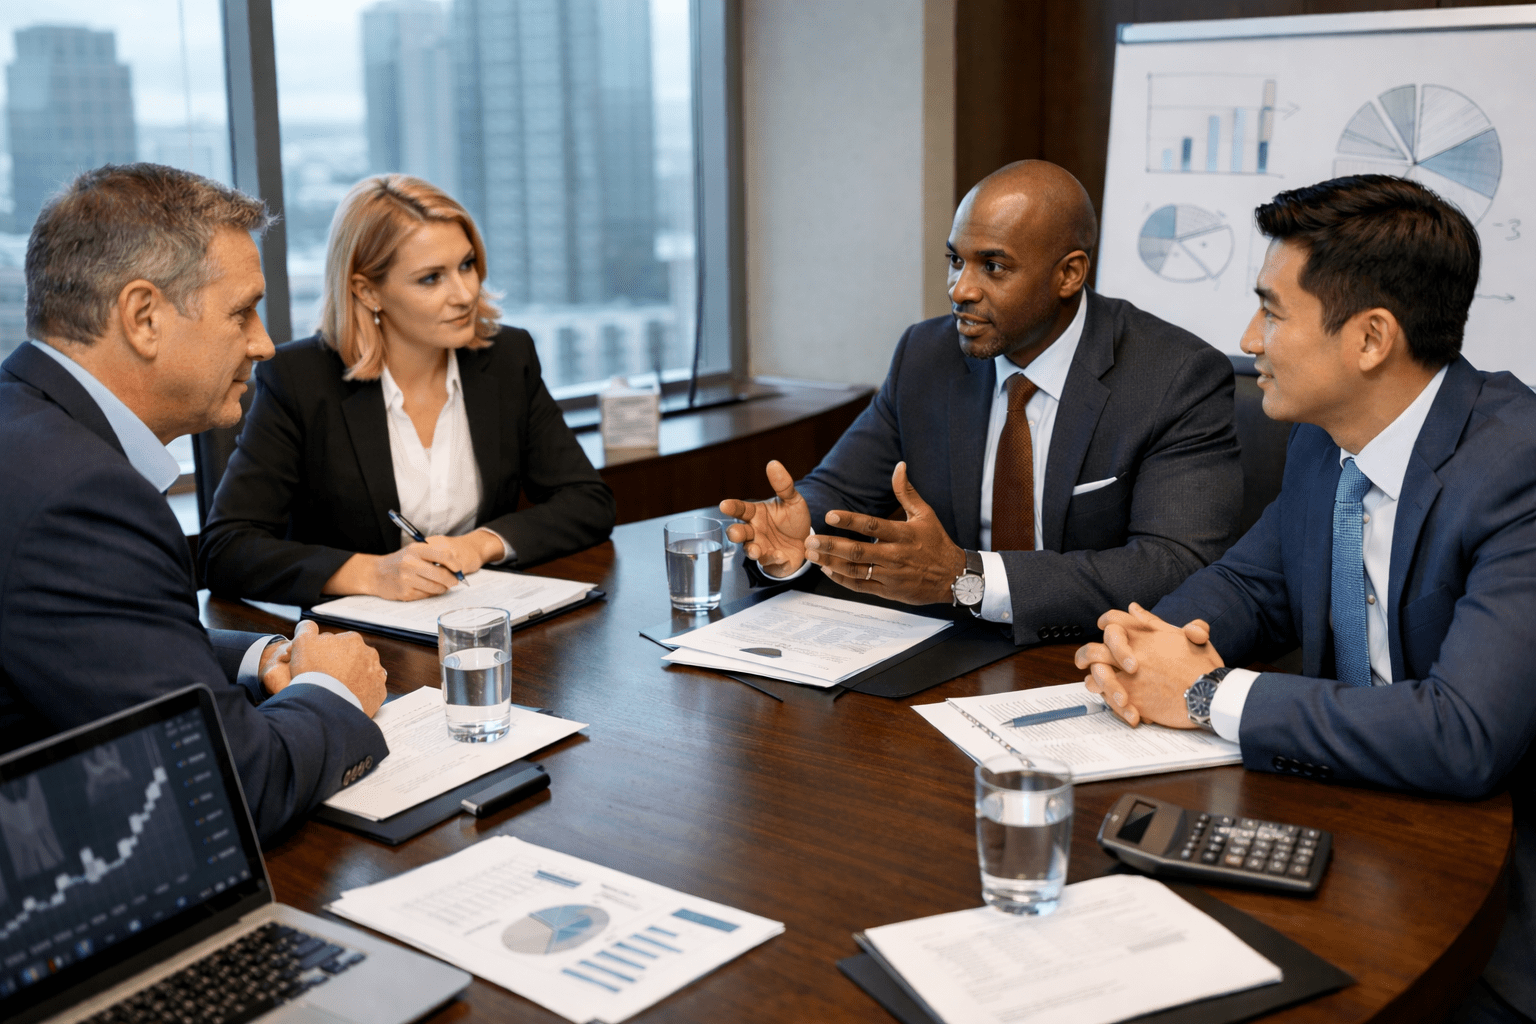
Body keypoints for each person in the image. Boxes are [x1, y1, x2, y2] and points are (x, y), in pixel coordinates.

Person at [1074, 175, 1536, 1024]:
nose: (1248, 339)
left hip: (1498, 888)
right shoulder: (1327, 441)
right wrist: (1146, 644)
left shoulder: (1518, 468)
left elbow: (1465, 734)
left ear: (1371, 338)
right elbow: (1253, 584)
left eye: (1272, 312)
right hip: (1353, 820)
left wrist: (1206, 694)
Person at [0, 163, 388, 846]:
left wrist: (262, 656)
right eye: (241, 312)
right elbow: (234, 790)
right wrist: (332, 691)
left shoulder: (25, 429)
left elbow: (102, 634)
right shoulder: (83, 498)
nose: (263, 343)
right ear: (143, 318)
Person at [720, 160, 1241, 644]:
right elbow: (840, 489)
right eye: (955, 260)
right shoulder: (925, 356)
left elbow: (1175, 564)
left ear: (1069, 274)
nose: (960, 289)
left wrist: (968, 577)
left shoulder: (1175, 377)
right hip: (949, 648)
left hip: (1090, 653)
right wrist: (797, 537)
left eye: (992, 266)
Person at [198, 174, 615, 608]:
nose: (464, 294)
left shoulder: (508, 357)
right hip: (354, 636)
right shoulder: (301, 379)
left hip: (481, 619)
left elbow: (588, 502)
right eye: (431, 278)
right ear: (367, 291)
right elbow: (225, 549)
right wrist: (372, 573)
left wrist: (478, 545)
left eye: (467, 265)